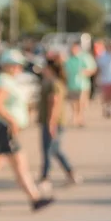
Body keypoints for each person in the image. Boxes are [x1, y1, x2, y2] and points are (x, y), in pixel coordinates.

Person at [0, 49, 54, 213]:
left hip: (0, 127)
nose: (19, 69)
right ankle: (34, 198)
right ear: (8, 66)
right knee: (19, 164)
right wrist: (12, 120)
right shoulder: (3, 81)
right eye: (16, 66)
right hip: (4, 128)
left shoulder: (5, 80)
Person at [38, 58, 81, 192]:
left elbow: (54, 104)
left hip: (53, 122)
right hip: (51, 121)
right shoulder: (52, 83)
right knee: (55, 150)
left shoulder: (54, 84)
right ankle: (71, 173)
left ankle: (45, 178)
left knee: (48, 150)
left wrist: (51, 123)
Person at [64, 42, 97, 127]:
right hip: (71, 84)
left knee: (81, 102)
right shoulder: (68, 59)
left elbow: (93, 69)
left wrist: (85, 72)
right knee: (73, 102)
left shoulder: (85, 58)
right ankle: (75, 116)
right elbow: (65, 71)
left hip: (83, 84)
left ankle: (80, 117)